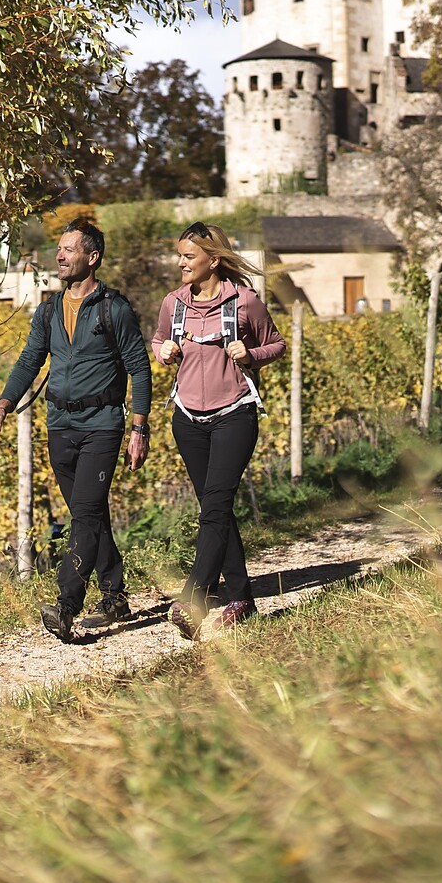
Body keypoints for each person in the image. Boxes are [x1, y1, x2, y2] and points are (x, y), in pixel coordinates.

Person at [0, 220, 152, 643]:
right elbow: (28, 361)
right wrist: (4, 405)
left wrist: (139, 427)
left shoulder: (115, 309)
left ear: (91, 258)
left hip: (102, 425)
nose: (59, 256)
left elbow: (139, 368)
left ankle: (66, 606)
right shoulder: (48, 310)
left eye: (68, 250)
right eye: (58, 249)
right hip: (59, 424)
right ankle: (114, 595)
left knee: (85, 513)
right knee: (88, 512)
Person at [152, 221, 284, 639]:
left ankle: (195, 595)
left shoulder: (245, 302)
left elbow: (276, 344)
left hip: (235, 414)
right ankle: (241, 597)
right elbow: (157, 342)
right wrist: (164, 352)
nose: (180, 263)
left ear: (213, 259)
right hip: (187, 418)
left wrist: (250, 355)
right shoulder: (172, 304)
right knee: (215, 508)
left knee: (215, 505)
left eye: (188, 256)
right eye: (180, 256)